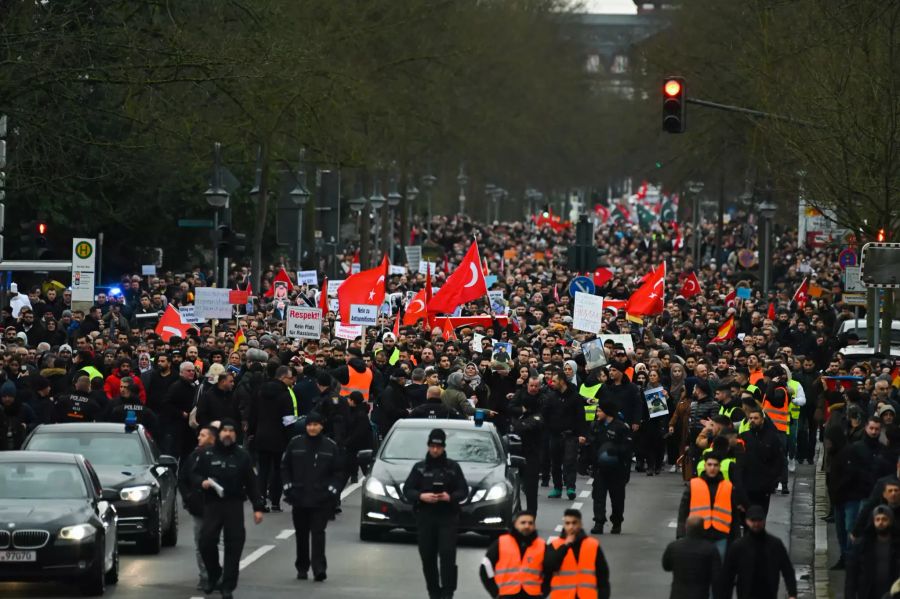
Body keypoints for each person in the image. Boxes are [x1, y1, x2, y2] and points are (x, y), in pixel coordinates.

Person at [192, 419, 266, 599]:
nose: (227, 434)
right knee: (206, 540)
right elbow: (194, 473)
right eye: (224, 430)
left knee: (234, 544)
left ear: (235, 435)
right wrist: (201, 482)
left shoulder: (242, 456)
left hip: (234, 504)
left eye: (231, 431)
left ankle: (228, 586)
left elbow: (251, 482)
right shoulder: (207, 454)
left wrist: (258, 506)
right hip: (212, 503)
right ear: (219, 434)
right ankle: (214, 573)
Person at [403, 428, 469, 599]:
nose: (435, 450)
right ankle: (434, 591)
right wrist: (421, 496)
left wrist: (449, 497)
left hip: (447, 516)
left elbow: (463, 490)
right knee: (427, 555)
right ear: (428, 446)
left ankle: (448, 592)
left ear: (444, 447)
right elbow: (407, 490)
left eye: (438, 447)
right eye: (432, 446)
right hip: (426, 516)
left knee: (447, 554)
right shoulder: (419, 468)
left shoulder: (453, 468)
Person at [281, 411, 345, 582]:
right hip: (299, 497)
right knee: (301, 535)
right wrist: (288, 488)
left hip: (321, 499)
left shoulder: (330, 446)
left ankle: (319, 568)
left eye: (316, 424)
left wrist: (332, 490)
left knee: (318, 534)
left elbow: (338, 472)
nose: (312, 427)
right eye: (309, 424)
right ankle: (302, 567)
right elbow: (285, 467)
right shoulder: (295, 443)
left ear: (321, 426)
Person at [719, 505, 797, 599]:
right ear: (747, 521)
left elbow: (787, 570)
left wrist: (792, 594)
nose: (756, 524)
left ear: (764, 521)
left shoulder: (774, 544)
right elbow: (728, 576)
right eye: (753, 520)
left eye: (759, 520)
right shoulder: (738, 547)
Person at [676, 452, 740, 559]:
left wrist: (736, 537)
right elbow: (683, 511)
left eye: (715, 465)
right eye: (709, 465)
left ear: (719, 467)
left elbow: (735, 515)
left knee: (718, 568)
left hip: (720, 535)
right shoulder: (694, 485)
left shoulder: (728, 487)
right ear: (705, 466)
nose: (712, 468)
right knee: (698, 569)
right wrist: (681, 533)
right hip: (698, 535)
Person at [178, 424, 218, 591]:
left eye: (203, 435)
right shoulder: (194, 456)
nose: (198, 438)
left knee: (216, 542)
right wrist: (188, 498)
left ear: (212, 438)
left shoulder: (222, 456)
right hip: (199, 507)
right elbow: (183, 478)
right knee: (200, 542)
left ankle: (217, 574)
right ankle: (204, 576)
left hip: (218, 508)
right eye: (199, 435)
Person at [543, 508, 610, 599]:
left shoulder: (592, 545)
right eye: (567, 523)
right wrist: (566, 545)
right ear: (564, 525)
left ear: (580, 524)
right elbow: (548, 568)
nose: (571, 527)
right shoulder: (555, 545)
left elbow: (603, 577)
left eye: (574, 523)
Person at [589, 398, 632, 535]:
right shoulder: (596, 425)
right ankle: (599, 522)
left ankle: (617, 522)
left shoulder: (621, 427)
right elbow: (592, 445)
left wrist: (617, 451)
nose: (597, 413)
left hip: (617, 469)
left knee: (617, 498)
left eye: (599, 410)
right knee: (598, 496)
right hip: (600, 469)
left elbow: (628, 447)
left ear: (607, 412)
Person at [479, 510, 545, 598]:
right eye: (523, 522)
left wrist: (543, 593)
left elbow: (550, 572)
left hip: (533, 595)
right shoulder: (501, 543)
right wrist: (495, 593)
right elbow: (486, 567)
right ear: (515, 524)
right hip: (507, 595)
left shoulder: (541, 545)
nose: (527, 526)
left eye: (530, 523)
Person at [543, 370, 585, 500]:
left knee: (569, 461)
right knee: (555, 463)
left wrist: (582, 434)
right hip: (554, 435)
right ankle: (557, 488)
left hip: (570, 435)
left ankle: (571, 487)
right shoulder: (551, 396)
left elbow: (581, 417)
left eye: (554, 381)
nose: (551, 383)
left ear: (562, 381)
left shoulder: (575, 397)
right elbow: (545, 414)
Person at [845, 505, 900, 599]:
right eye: (877, 519)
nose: (881, 523)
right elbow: (851, 576)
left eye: (884, 519)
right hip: (868, 594)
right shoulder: (862, 545)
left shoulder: (897, 544)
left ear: (890, 521)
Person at [662, 515, 721, 599]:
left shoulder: (674, 546)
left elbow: (666, 566)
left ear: (686, 527)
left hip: (678, 594)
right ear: (703, 528)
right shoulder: (710, 549)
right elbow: (716, 576)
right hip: (700, 594)